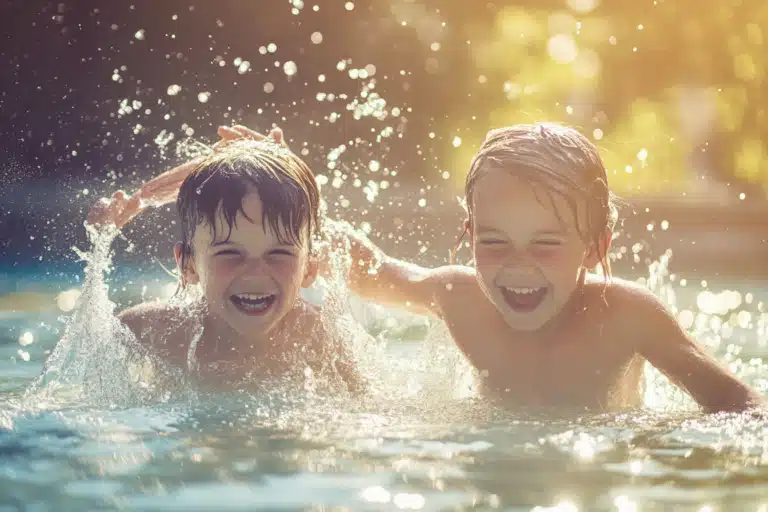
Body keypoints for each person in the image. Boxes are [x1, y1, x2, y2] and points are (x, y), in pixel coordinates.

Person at [334, 122, 762, 412]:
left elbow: (738, 405)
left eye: (546, 245)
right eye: (495, 241)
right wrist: (292, 199)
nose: (519, 266)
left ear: (594, 248)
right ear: (470, 233)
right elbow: (374, 272)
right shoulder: (459, 298)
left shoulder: (626, 317)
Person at [87, 129, 363, 393]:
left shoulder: (319, 338)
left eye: (278, 254)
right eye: (230, 253)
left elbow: (368, 409)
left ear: (309, 269)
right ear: (189, 265)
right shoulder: (150, 333)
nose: (255, 273)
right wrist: (100, 242)